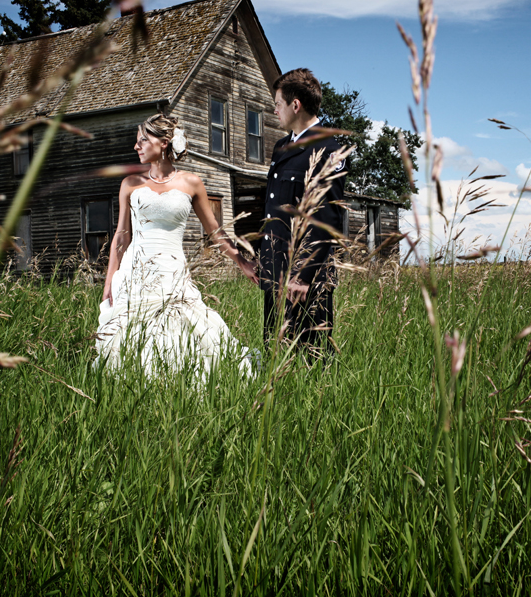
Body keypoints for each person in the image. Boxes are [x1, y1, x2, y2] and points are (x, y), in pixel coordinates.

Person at [95, 113, 259, 378]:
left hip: (172, 271)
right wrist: (109, 281)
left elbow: (215, 233)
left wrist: (242, 262)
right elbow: (121, 237)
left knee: (183, 328)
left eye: (142, 140)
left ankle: (180, 381)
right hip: (135, 272)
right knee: (132, 332)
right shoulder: (130, 184)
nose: (136, 146)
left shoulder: (191, 182)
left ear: (163, 143)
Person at [260, 68, 347, 357]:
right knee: (275, 354)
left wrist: (305, 276)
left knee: (313, 358)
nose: (274, 111)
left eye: (278, 104)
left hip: (307, 276)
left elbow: (328, 218)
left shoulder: (330, 147)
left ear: (295, 105)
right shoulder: (281, 147)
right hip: (277, 268)